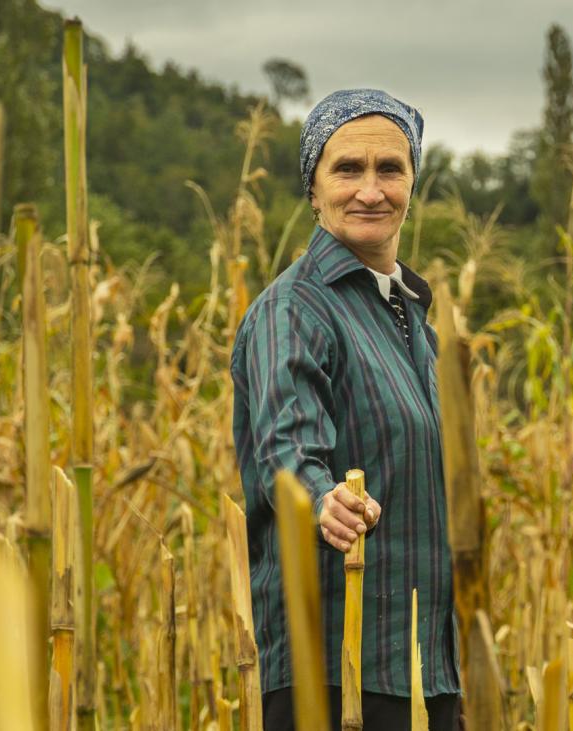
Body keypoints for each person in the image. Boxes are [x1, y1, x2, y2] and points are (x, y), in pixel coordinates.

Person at [231, 88, 461, 730]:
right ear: (313, 187)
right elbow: (286, 449)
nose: (370, 190)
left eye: (390, 169)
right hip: (335, 672)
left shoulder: (412, 317)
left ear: (413, 182)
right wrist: (322, 499)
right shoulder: (294, 308)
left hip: (424, 669)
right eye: (347, 169)